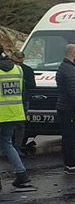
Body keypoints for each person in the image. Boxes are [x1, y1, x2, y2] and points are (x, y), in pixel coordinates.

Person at [0, 51, 35, 192]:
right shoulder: (18, 69)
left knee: (7, 143)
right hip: (14, 113)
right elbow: (22, 92)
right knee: (8, 144)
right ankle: (21, 174)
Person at [55, 43, 75, 174]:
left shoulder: (64, 68)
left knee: (68, 136)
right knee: (70, 138)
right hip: (70, 110)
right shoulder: (70, 71)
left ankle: (69, 164)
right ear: (73, 54)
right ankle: (71, 165)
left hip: (65, 107)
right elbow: (73, 92)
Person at [9, 50, 35, 155]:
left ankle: (17, 147)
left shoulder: (27, 70)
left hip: (22, 101)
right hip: (8, 102)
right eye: (16, 62)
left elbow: (32, 85)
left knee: (20, 126)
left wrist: (23, 81)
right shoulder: (7, 69)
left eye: (20, 63)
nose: (18, 65)